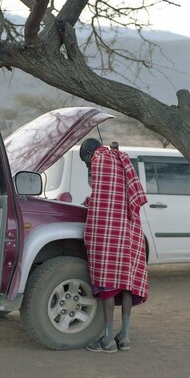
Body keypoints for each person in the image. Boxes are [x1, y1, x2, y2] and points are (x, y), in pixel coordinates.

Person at [80, 138, 149, 353]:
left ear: (91, 152)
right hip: (130, 230)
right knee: (126, 283)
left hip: (110, 231)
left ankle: (108, 339)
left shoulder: (100, 161)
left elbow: (102, 198)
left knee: (109, 284)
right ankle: (125, 336)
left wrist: (88, 203)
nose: (88, 166)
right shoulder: (121, 158)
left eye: (86, 161)